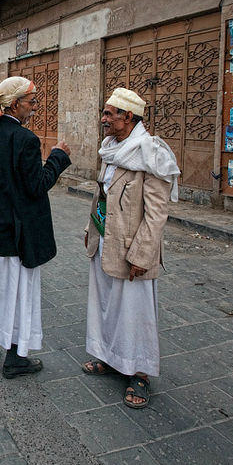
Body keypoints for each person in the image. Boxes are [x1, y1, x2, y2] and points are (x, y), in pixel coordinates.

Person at [0, 76, 71, 378]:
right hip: (21, 234)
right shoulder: (25, 140)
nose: (34, 108)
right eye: (32, 102)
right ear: (14, 103)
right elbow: (37, 186)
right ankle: (16, 358)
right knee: (20, 294)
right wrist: (59, 157)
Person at [80, 87, 180, 409]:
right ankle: (110, 358)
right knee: (107, 305)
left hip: (132, 249)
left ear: (128, 117)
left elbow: (156, 213)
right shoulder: (111, 149)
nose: (104, 119)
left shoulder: (151, 153)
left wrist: (142, 254)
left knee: (135, 313)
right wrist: (89, 228)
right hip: (105, 241)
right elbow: (102, 195)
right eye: (104, 113)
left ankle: (139, 373)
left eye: (110, 114)